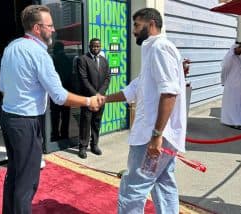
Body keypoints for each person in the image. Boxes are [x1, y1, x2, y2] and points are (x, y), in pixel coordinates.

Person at [0, 5, 104, 214]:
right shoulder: (39, 53)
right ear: (37, 28)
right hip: (26, 121)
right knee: (27, 181)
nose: (54, 30)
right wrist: (88, 101)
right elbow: (59, 96)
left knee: (14, 174)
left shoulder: (11, 47)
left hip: (9, 117)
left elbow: (2, 87)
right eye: (50, 25)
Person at [105, 8, 186, 213]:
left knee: (132, 188)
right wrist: (104, 99)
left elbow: (169, 93)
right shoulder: (152, 49)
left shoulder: (159, 48)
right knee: (163, 183)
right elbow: (134, 89)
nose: (133, 30)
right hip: (157, 135)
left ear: (151, 24)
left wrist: (156, 136)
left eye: (136, 25)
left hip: (152, 137)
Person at [77, 38, 111, 159]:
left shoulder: (104, 61)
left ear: (100, 47)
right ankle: (82, 147)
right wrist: (94, 94)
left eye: (98, 46)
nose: (95, 48)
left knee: (96, 122)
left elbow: (107, 78)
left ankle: (94, 145)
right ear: (89, 46)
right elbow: (83, 79)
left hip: (100, 98)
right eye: (93, 46)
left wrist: (100, 93)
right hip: (88, 98)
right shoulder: (83, 60)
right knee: (85, 122)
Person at [221, 42, 241, 130]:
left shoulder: (239, 58)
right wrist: (223, 81)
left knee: (237, 104)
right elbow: (224, 70)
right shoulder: (230, 58)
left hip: (239, 86)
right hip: (232, 86)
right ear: (235, 48)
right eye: (240, 48)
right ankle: (235, 122)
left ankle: (232, 121)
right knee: (233, 105)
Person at [50, 41, 73, 141]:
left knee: (55, 115)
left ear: (55, 49)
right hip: (67, 91)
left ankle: (55, 135)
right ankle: (65, 135)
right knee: (65, 115)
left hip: (55, 91)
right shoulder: (68, 60)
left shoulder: (53, 60)